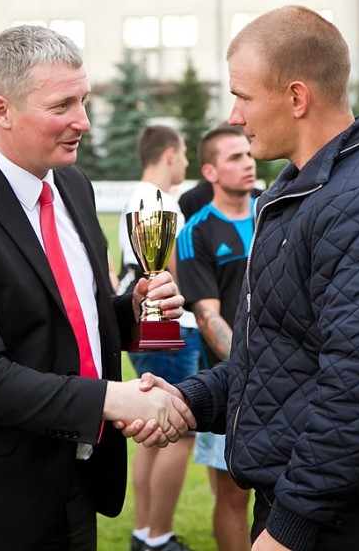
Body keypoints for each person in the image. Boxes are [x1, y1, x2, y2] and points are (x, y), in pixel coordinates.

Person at [126, 5, 359, 551]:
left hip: (349, 519)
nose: (234, 115)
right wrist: (189, 401)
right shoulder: (306, 193)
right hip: (308, 499)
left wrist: (289, 529)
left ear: (298, 98)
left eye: (243, 96)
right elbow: (280, 361)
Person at [0, 24, 193, 550]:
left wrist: (134, 311)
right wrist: (112, 399)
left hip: (75, 480)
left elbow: (65, 318)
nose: (83, 122)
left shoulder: (73, 185)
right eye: (62, 105)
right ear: (2, 110)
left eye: (83, 101)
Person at [117, 124, 199, 551]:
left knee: (151, 429)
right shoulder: (158, 201)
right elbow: (167, 270)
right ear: (169, 154)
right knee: (177, 431)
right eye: (184, 153)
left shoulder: (136, 196)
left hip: (145, 327)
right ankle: (159, 536)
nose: (186, 162)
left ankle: (144, 532)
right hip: (170, 324)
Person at [176, 125, 256, 551]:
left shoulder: (274, 210)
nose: (248, 164)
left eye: (248, 154)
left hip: (294, 377)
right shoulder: (196, 231)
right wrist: (253, 364)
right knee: (233, 495)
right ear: (209, 170)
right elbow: (208, 316)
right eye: (234, 158)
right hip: (230, 383)